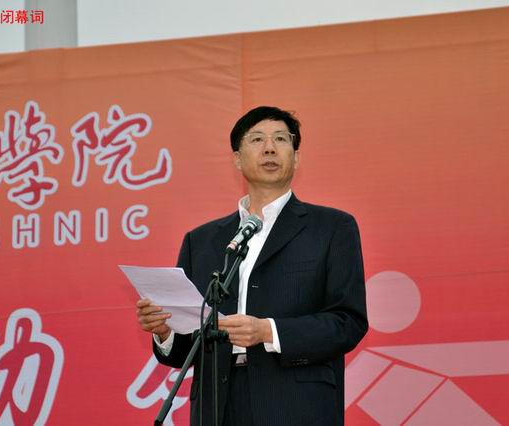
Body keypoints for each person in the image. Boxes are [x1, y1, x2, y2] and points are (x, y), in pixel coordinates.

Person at [136, 106, 368, 426]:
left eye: (281, 139)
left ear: (296, 157)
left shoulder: (331, 228)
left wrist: (268, 331)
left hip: (296, 404)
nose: (269, 148)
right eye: (257, 139)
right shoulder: (201, 241)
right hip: (217, 407)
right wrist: (165, 331)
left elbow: (347, 322)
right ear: (236, 159)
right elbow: (186, 349)